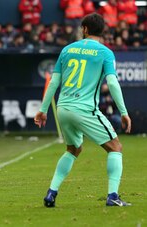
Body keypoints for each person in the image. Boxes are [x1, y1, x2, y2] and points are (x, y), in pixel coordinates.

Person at [34, 13, 132, 207]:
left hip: (63, 108)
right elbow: (112, 83)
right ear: (102, 30)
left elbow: (54, 82)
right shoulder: (105, 53)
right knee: (115, 147)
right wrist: (123, 111)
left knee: (73, 148)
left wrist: (43, 109)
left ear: (84, 29)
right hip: (85, 109)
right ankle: (113, 196)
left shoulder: (67, 50)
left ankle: (51, 193)